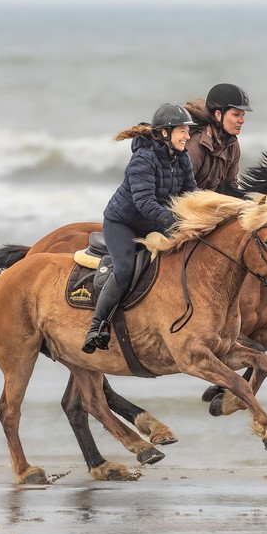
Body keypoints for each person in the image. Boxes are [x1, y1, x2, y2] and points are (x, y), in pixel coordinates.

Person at [82, 102, 198, 354]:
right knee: (124, 270)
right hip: (123, 223)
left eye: (188, 131)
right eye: (183, 131)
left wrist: (207, 217)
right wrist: (176, 222)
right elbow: (145, 203)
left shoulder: (182, 158)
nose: (188, 136)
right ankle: (96, 325)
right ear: (165, 133)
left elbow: (192, 195)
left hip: (155, 222)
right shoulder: (143, 160)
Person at [184, 83, 253, 198]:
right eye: (236, 115)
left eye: (242, 115)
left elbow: (230, 187)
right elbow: (182, 191)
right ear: (218, 114)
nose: (242, 121)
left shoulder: (233, 145)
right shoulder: (196, 144)